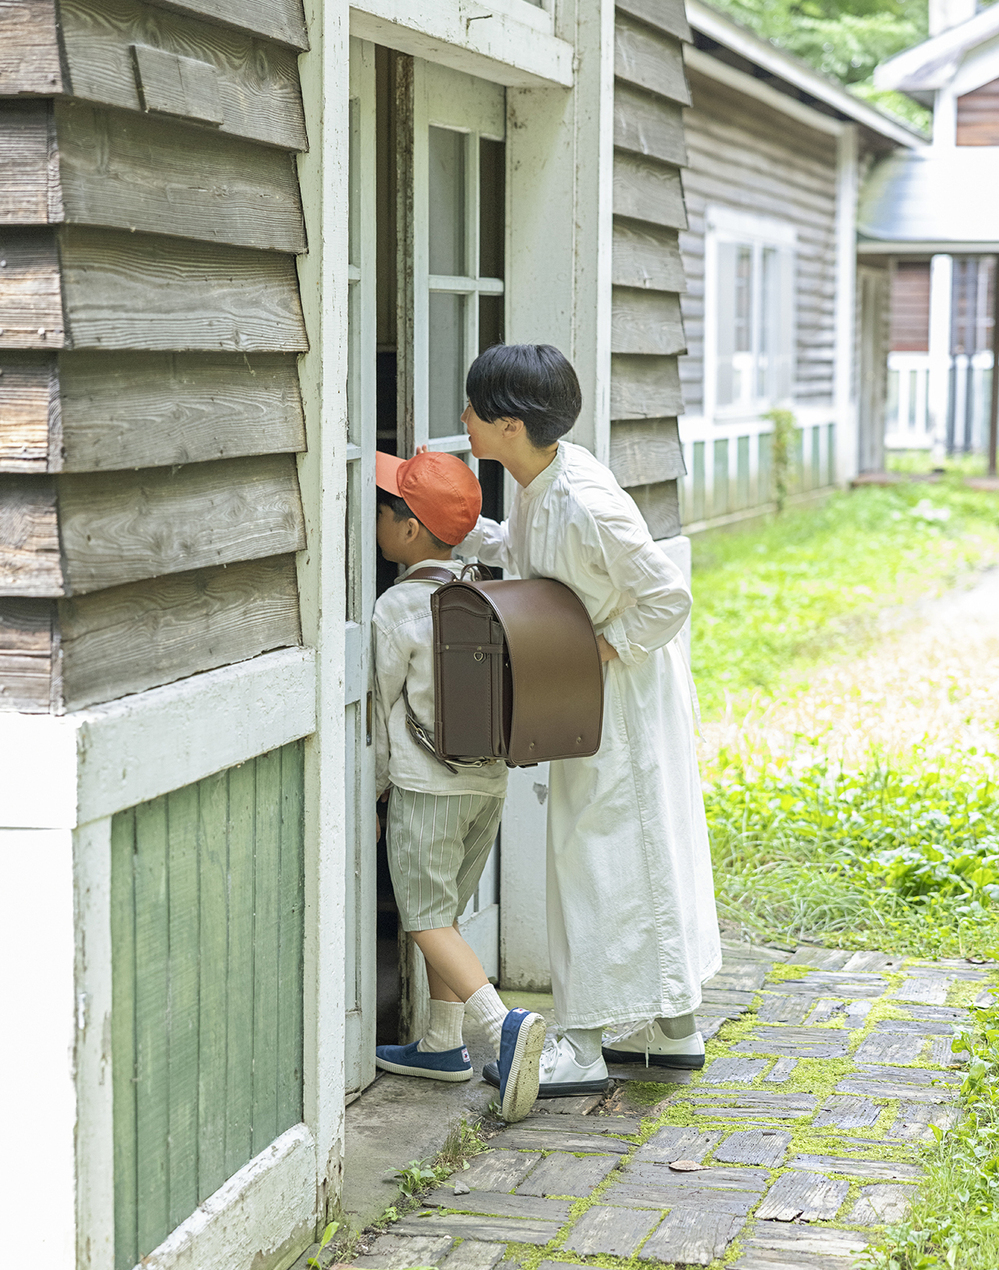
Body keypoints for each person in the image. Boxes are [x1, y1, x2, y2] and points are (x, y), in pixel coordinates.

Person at [459, 344, 722, 1097]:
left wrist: (602, 650)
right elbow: (532, 557)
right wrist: (467, 531)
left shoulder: (582, 497)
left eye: (475, 408)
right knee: (626, 849)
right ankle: (673, 1027)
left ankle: (580, 1043)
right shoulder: (540, 481)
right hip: (600, 692)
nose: (464, 419)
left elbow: (666, 596)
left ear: (509, 425)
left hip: (622, 695)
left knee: (596, 855)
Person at [371, 448, 545, 1122]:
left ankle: (500, 1025)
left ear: (408, 531)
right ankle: (441, 1046)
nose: (377, 521)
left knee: (425, 919)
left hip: (426, 787)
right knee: (447, 913)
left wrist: (376, 792)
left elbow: (381, 711)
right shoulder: (483, 593)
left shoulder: (398, 607)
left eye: (383, 513)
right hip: (486, 786)